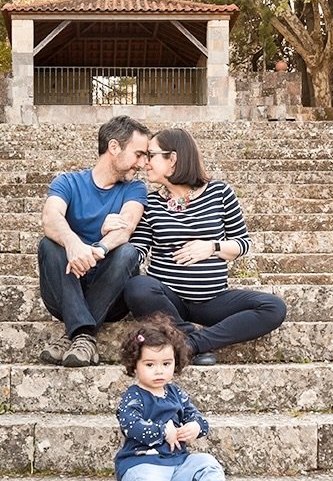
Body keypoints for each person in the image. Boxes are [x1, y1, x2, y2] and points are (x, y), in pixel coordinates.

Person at [93, 314, 258, 481]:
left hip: (177, 463)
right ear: (134, 365)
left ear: (176, 363)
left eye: (166, 363)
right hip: (140, 465)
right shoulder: (133, 397)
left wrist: (194, 427)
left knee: (206, 462)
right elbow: (131, 426)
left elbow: (199, 419)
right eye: (150, 364)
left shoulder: (176, 393)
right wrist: (161, 431)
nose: (159, 371)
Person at [122, 126, 286, 366]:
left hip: (211, 301)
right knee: (137, 286)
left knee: (273, 307)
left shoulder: (220, 193)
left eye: (152, 155)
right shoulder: (151, 202)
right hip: (167, 300)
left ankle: (192, 343)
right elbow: (138, 250)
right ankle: (185, 335)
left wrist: (212, 247)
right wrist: (118, 232)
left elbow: (242, 243)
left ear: (173, 159)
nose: (145, 163)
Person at [38, 114, 150, 368]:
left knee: (128, 252)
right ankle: (84, 336)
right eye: (139, 154)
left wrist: (98, 248)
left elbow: (126, 227)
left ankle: (74, 334)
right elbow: (50, 216)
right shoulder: (68, 182)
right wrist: (73, 244)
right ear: (114, 147)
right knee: (49, 244)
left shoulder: (134, 189)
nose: (143, 163)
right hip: (66, 288)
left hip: (113, 294)